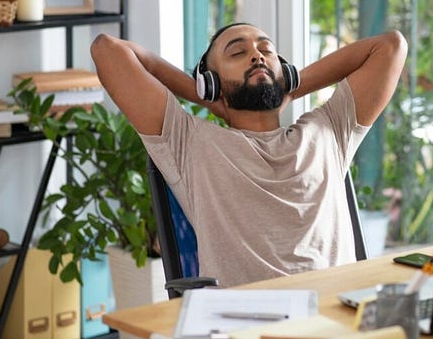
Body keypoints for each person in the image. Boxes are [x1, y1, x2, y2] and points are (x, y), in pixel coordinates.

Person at [90, 22, 407, 287]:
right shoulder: (191, 143)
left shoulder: (329, 130)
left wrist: (289, 83)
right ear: (210, 82)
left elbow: (390, 46)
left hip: (336, 319)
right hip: (249, 324)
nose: (257, 56)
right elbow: (108, 50)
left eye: (266, 51)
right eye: (238, 53)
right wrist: (204, 96)